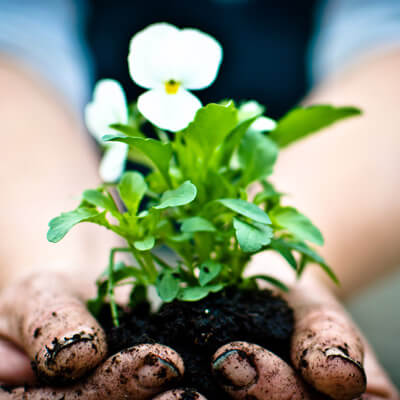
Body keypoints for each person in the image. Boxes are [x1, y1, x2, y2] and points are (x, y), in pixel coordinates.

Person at [0, 0, 399, 398]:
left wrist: (285, 250)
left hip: (321, 170)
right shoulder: (162, 104)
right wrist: (52, 257)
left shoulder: (172, 100)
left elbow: (386, 27)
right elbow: (16, 27)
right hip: (63, 148)